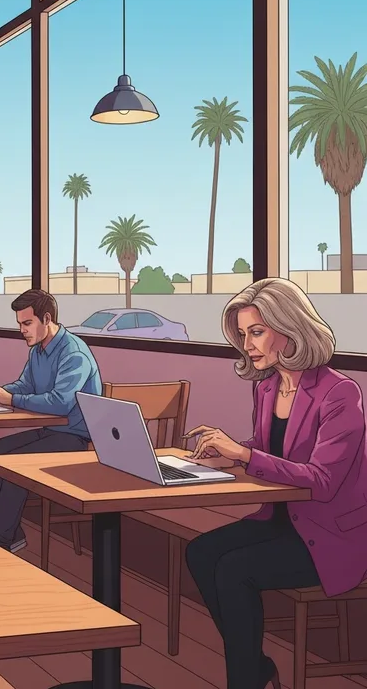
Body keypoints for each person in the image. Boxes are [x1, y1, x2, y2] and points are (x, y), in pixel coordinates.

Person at [183, 278, 367, 689]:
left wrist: (245, 456)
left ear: (291, 328)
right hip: (280, 518)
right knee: (199, 552)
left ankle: (246, 679)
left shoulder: (340, 393)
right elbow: (273, 450)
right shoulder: (267, 386)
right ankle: (256, 666)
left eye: (257, 332)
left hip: (329, 534)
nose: (247, 343)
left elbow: (322, 481)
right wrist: (229, 451)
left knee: (233, 569)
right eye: (243, 333)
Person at [0, 289, 101, 553]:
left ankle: (0, 541)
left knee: (14, 466)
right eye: (19, 324)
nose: (22, 330)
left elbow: (61, 402)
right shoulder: (38, 350)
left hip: (77, 437)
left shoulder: (74, 353)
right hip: (51, 430)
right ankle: (11, 534)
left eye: (27, 323)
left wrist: (12, 400)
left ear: (46, 318)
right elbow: (25, 384)